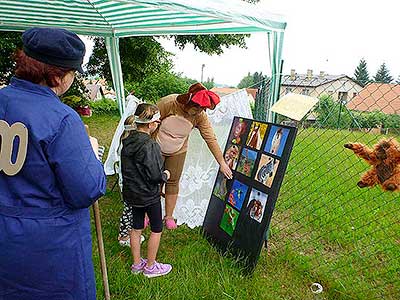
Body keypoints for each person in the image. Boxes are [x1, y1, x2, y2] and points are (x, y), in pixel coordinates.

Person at [0, 27, 106, 299]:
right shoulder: (62, 118)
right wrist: (92, 155)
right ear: (58, 76)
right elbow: (85, 190)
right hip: (47, 248)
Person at [155, 83, 233, 229]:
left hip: (177, 150)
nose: (200, 111)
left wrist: (222, 162)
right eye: (198, 107)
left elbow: (210, 138)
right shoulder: (169, 103)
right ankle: (148, 213)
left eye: (203, 109)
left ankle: (169, 216)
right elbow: (149, 121)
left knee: (172, 181)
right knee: (153, 179)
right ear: (189, 101)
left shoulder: (200, 116)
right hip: (155, 147)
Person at [121, 103, 172, 278]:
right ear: (150, 124)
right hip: (149, 195)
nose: (158, 125)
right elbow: (154, 175)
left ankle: (136, 265)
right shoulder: (150, 145)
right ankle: (150, 267)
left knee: (136, 228)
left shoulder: (127, 141)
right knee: (156, 229)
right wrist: (165, 174)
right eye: (157, 122)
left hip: (133, 194)